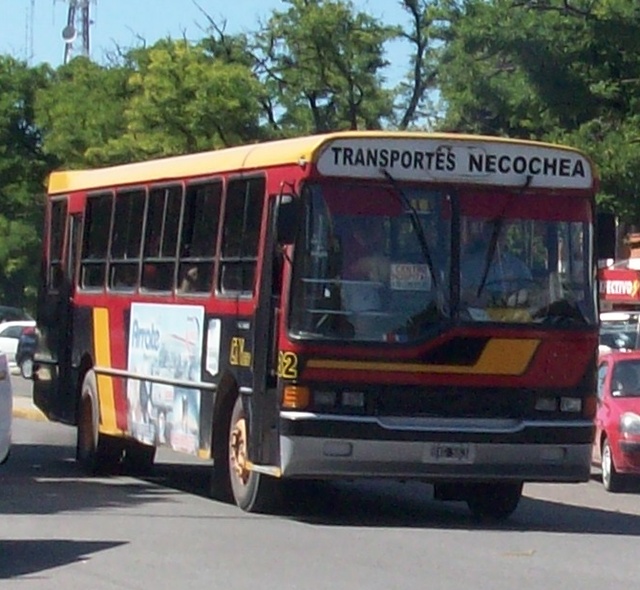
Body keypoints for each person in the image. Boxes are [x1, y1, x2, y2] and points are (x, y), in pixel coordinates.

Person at [460, 221, 532, 308]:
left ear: (505, 236)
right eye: (493, 234)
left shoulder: (519, 268)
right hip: (476, 319)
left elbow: (530, 295)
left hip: (512, 319)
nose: (497, 239)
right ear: (485, 236)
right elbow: (460, 295)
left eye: (501, 234)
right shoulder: (468, 267)